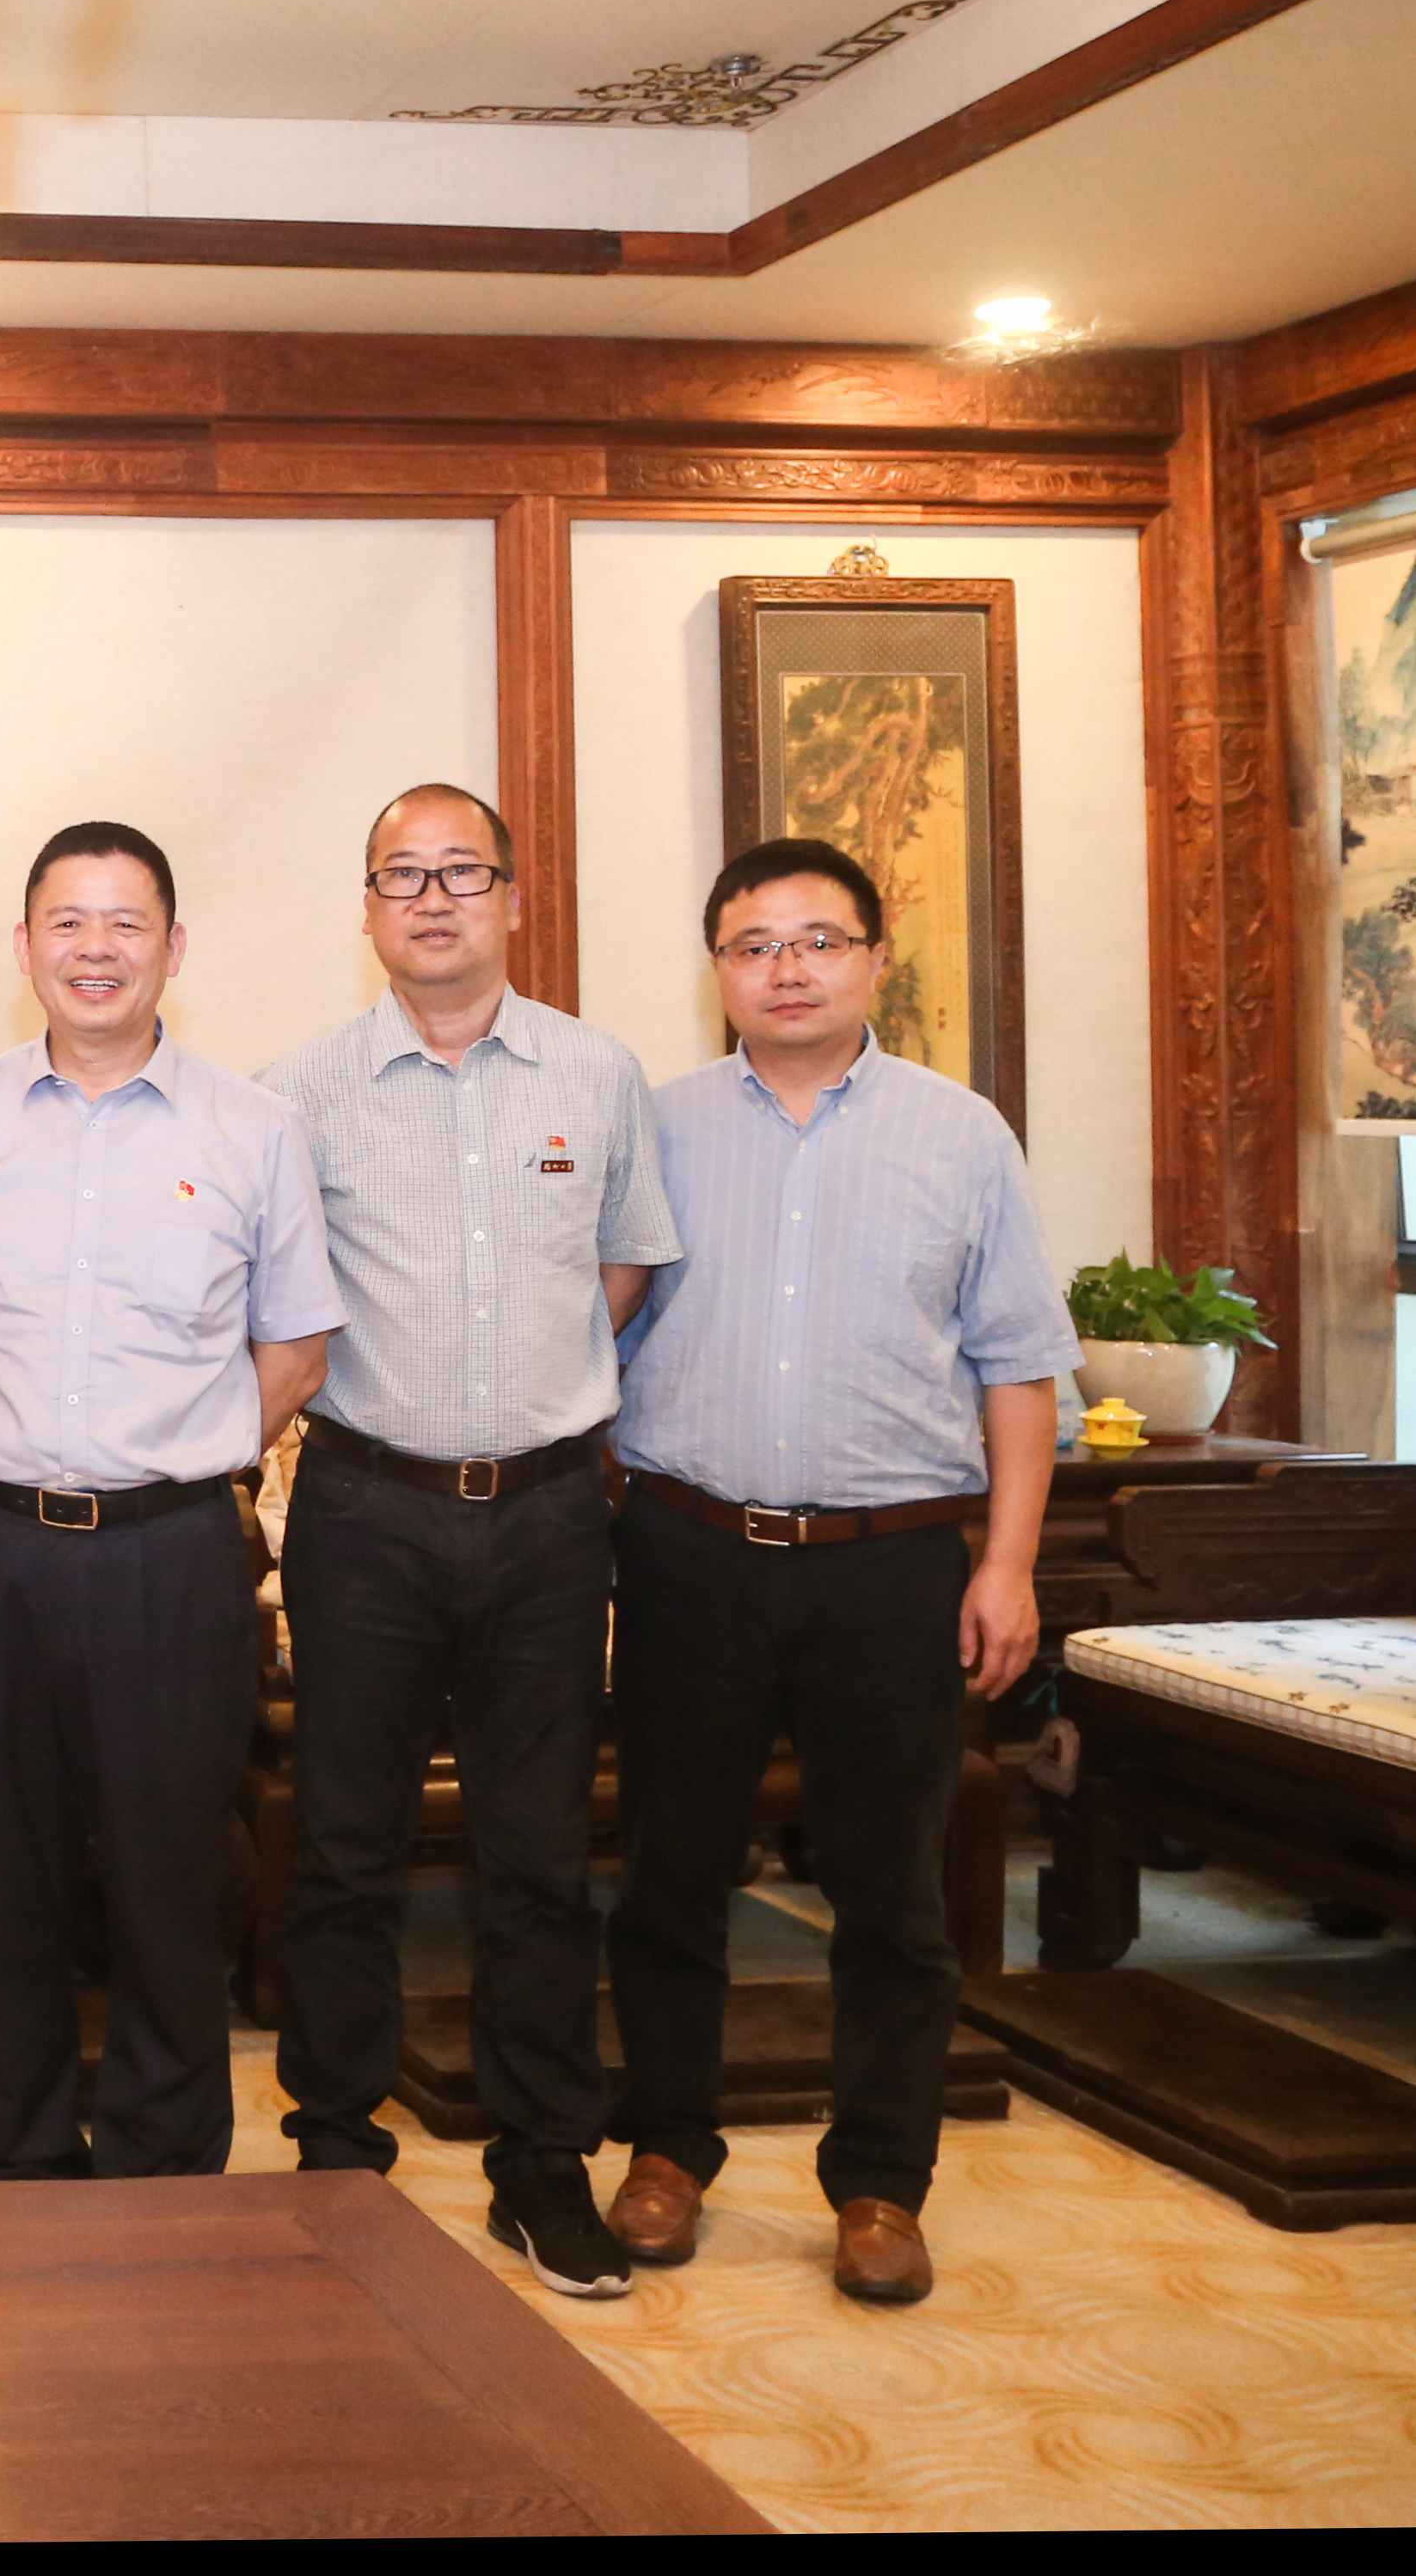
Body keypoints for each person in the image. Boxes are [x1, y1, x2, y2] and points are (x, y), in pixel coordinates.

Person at [604, 836, 1069, 2307]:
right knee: (668, 1874)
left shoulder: (960, 1135)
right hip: (687, 1550)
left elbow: (1017, 1367)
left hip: (890, 1564)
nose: (785, 969)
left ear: (875, 956)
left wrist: (1007, 1562)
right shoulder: (657, 1128)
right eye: (752, 945)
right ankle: (664, 2149)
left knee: (891, 1893)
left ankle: (879, 2180)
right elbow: (590, 1337)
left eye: (816, 939)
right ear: (716, 970)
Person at [259, 786, 679, 2297]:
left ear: (510, 897)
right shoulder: (297, 1091)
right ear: (367, 909)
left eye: (460, 872)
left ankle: (540, 2163)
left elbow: (622, 1269)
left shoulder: (596, 1072)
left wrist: (523, 1401)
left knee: (537, 1853)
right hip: (364, 1506)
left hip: (552, 1516)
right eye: (401, 875)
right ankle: (333, 2148)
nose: (431, 899)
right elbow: (274, 1298)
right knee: (344, 1846)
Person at [0, 821, 339, 2182]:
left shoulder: (254, 1129)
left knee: (170, 1880)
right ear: (22, 944)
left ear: (172, 945)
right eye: (67, 921)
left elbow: (296, 1344)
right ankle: (13, 2163)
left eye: (124, 922)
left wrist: (183, 1451)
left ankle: (163, 2171)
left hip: (172, 1555)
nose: (93, 948)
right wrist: (4, 1452)